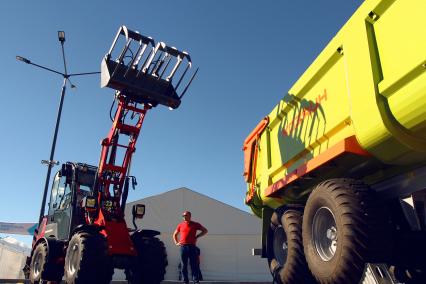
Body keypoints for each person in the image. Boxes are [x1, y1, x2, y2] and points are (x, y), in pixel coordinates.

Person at [173, 211, 208, 284]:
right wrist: (176, 242)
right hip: (183, 247)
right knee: (183, 265)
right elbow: (174, 234)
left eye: (185, 215)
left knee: (194, 264)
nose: (184, 217)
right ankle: (185, 281)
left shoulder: (195, 224)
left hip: (192, 247)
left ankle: (196, 281)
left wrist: (198, 236)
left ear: (190, 216)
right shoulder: (180, 225)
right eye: (183, 216)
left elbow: (205, 230)